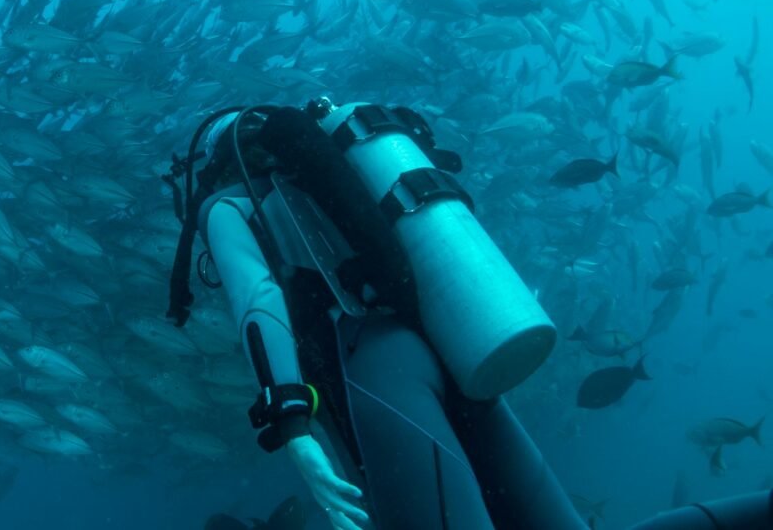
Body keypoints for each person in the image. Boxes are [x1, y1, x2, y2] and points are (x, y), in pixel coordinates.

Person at [164, 100, 585, 530]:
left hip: (372, 367)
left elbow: (259, 302)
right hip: (444, 345)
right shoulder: (343, 182)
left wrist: (292, 426)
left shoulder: (228, 208)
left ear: (222, 161)